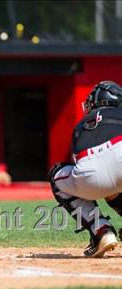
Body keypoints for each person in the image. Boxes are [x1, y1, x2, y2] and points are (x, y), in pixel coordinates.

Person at [49, 81, 122, 258]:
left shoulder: (81, 125)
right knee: (114, 185)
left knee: (56, 175)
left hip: (90, 175)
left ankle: (101, 231)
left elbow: (83, 160)